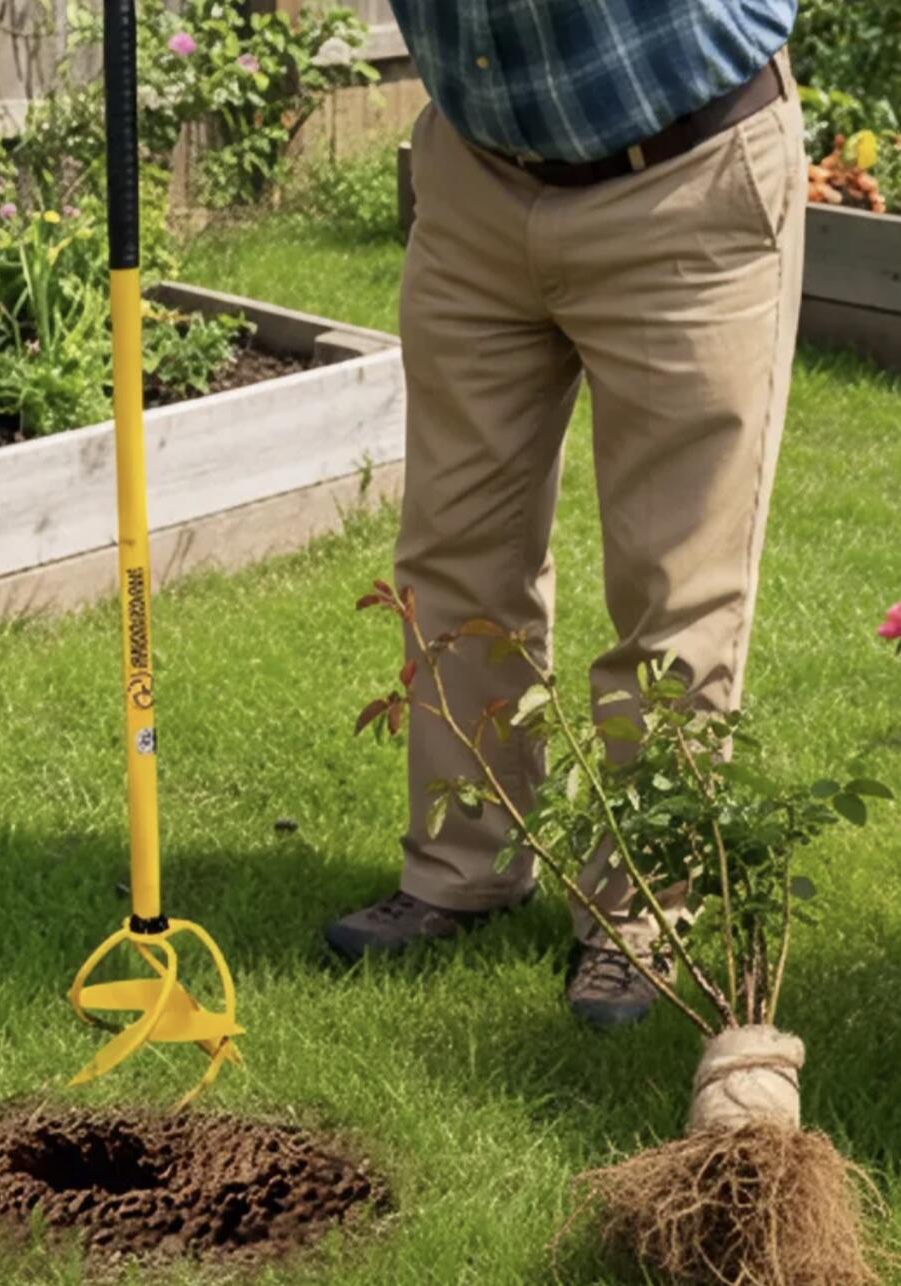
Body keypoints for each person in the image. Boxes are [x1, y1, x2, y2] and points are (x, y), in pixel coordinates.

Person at [325, 1, 807, 1029]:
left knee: (676, 584)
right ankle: (462, 865)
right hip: (476, 176)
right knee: (454, 551)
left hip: (683, 172)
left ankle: (643, 914)